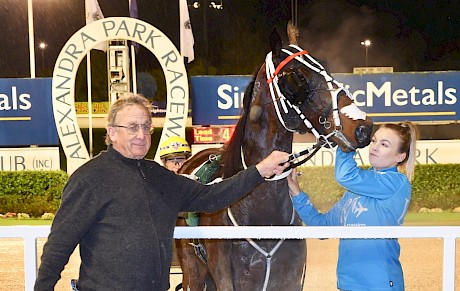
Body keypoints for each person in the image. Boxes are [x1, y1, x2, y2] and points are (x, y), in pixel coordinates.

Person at [34, 94, 291, 291]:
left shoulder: (159, 176)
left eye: (146, 127)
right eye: (132, 127)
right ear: (111, 132)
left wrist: (261, 170)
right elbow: (59, 245)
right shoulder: (89, 178)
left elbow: (212, 197)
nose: (141, 134)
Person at [287, 122, 418, 291]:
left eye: (384, 144)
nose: (375, 147)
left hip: (379, 285)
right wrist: (297, 193)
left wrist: (345, 141)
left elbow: (345, 175)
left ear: (400, 156)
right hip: (347, 283)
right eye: (374, 141)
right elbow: (321, 227)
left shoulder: (397, 182)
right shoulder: (353, 192)